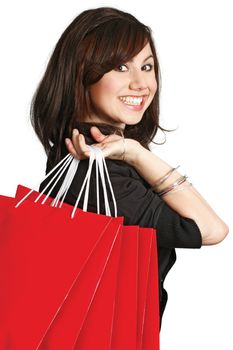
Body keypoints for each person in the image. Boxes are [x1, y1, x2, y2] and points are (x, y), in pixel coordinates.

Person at [31, 7, 229, 329]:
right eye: (121, 67)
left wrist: (132, 152)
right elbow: (210, 229)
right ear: (82, 74)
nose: (141, 84)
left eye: (147, 66)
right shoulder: (96, 172)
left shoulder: (89, 156)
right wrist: (137, 154)